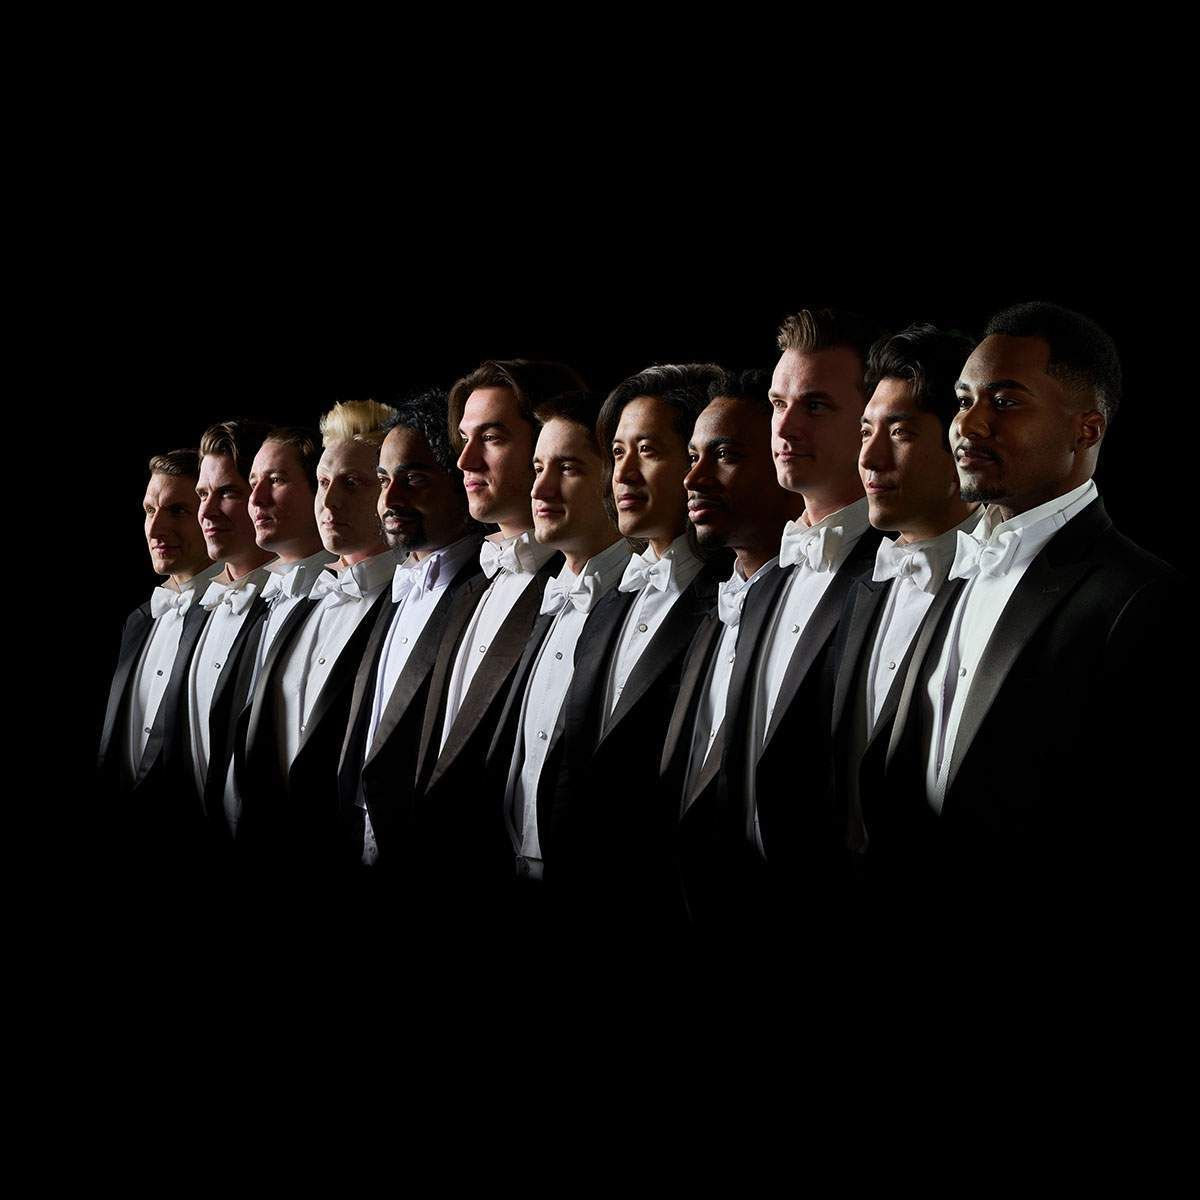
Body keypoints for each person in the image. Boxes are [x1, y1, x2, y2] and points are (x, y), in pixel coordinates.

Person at [880, 302, 1182, 941]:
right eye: (964, 401)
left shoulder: (1143, 598)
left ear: (1086, 429)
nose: (968, 425)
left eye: (1005, 401)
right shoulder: (955, 568)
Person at [718, 308, 883, 927]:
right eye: (777, 403)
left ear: (869, 421)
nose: (784, 427)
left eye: (815, 406)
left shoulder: (902, 573)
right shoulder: (768, 575)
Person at [552, 363, 727, 936]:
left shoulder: (733, 597)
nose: (623, 474)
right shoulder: (611, 600)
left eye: (647, 451)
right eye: (617, 452)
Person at [412, 360, 583, 912]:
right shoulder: (467, 586)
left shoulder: (586, 588)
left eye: (491, 437)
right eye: (464, 439)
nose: (465, 461)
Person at [827, 325, 978, 892]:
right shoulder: (855, 583)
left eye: (901, 433)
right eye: (866, 431)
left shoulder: (996, 589)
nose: (868, 457)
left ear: (960, 443)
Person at [659, 369, 805, 931]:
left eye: (725, 456)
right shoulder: (706, 608)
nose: (694, 478)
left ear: (786, 461)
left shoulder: (833, 605)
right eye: (693, 457)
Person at [236, 401, 396, 878]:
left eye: (353, 483)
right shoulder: (302, 604)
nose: (330, 503)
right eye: (324, 483)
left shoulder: (406, 605)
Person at [485, 390, 631, 905]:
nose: (540, 488)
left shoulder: (644, 608)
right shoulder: (537, 597)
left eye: (567, 468)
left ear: (613, 481)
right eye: (537, 467)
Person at [338, 388, 482, 874]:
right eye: (384, 480)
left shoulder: (488, 591)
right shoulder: (392, 589)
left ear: (459, 479)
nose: (390, 498)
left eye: (414, 478)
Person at [99, 449, 224, 868]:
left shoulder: (239, 620)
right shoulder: (138, 620)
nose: (155, 528)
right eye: (150, 510)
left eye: (177, 511)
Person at [186, 419, 276, 843]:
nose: (205, 513)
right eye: (202, 494)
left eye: (227, 493)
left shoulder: (301, 605)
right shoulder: (196, 610)